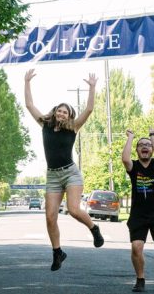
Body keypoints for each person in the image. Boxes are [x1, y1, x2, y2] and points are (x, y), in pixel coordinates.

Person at [24, 69, 104, 271]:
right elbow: (29, 105)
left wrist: (92, 88)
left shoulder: (73, 128)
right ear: (55, 111)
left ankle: (94, 229)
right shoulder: (45, 125)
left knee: (74, 209)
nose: (61, 114)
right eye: (59, 110)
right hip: (52, 176)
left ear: (69, 116)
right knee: (50, 216)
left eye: (65, 112)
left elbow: (89, 109)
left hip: (70, 173)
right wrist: (27, 82)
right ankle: (57, 252)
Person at [122, 127, 154, 292]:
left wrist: (152, 136)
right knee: (136, 247)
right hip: (138, 215)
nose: (145, 147)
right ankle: (140, 278)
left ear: (152, 149)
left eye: (148, 145)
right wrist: (130, 138)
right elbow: (125, 158)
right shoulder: (134, 167)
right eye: (141, 145)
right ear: (137, 150)